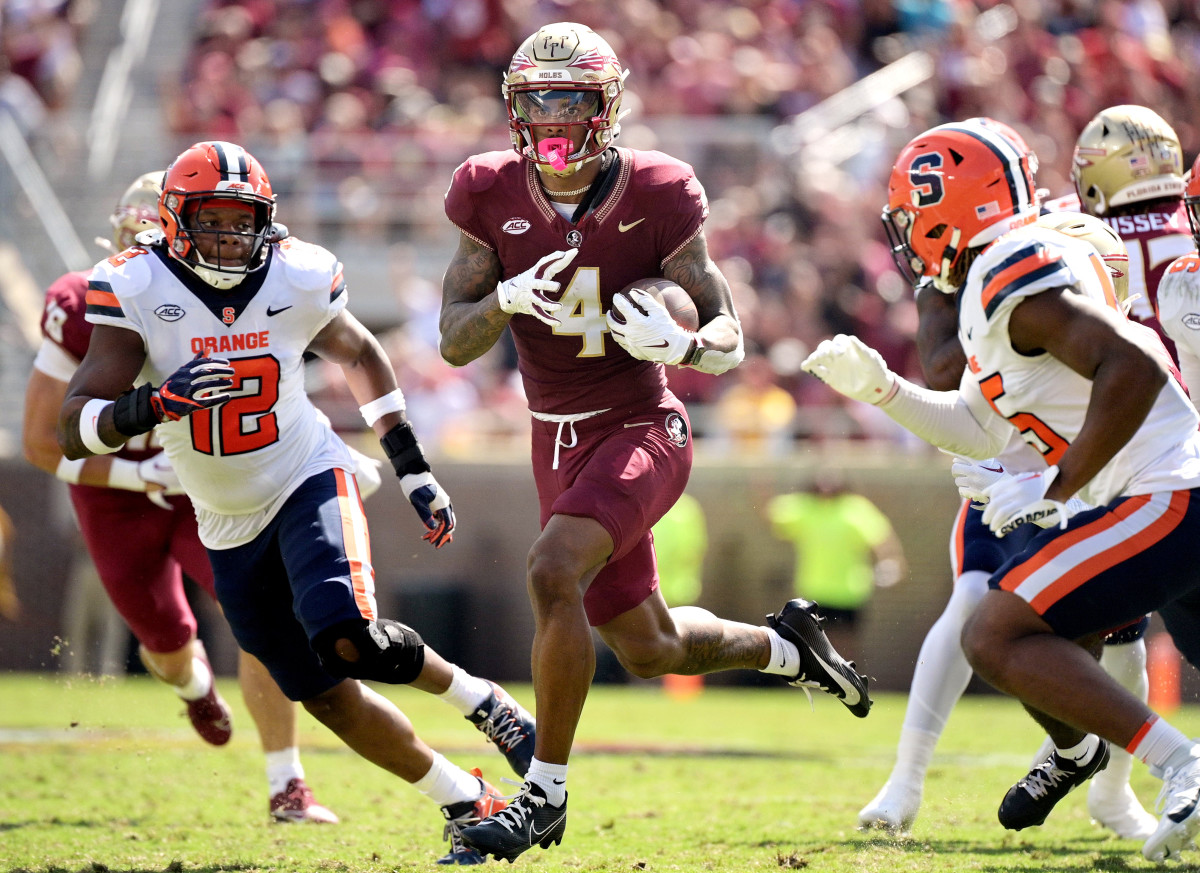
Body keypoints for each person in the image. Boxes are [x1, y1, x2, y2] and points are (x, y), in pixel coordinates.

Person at [436, 22, 870, 862]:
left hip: (642, 425)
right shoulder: (485, 191)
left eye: (571, 98)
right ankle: (790, 648)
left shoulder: (661, 189)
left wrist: (690, 348)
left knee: (549, 568)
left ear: (609, 107)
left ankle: (543, 796)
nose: (554, 117)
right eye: (538, 100)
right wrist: (507, 302)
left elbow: (730, 329)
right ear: (514, 108)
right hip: (551, 438)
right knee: (650, 645)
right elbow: (455, 338)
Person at [54, 142, 537, 865]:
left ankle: (484, 703)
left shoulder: (297, 272)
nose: (230, 236)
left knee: (348, 632)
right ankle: (467, 800)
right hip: (223, 518)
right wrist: (152, 402)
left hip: (305, 473)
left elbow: (361, 351)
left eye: (243, 220)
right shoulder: (134, 284)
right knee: (323, 693)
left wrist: (412, 469)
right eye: (212, 221)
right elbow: (74, 425)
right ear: (177, 221)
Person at [802, 118, 1200, 863]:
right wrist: (883, 390)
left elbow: (1134, 370)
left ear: (953, 205)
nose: (910, 235)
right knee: (1055, 641)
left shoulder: (1013, 268)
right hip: (1157, 488)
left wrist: (1058, 481)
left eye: (917, 214)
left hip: (1167, 490)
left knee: (994, 631)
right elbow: (985, 426)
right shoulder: (999, 272)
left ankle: (1183, 765)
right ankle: (1104, 764)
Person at [23, 170, 340, 823]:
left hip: (206, 486)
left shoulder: (230, 296)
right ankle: (195, 687)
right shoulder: (83, 302)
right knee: (166, 646)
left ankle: (288, 780)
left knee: (259, 619)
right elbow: (40, 444)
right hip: (114, 492)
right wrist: (136, 476)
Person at [858, 185, 1157, 836]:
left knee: (1125, 635)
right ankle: (906, 780)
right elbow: (945, 378)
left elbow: (1124, 363)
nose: (916, 236)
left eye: (930, 215)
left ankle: (1115, 789)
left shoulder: (1061, 251)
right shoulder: (962, 266)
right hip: (1006, 466)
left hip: (1087, 464)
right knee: (973, 606)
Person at [767, 471, 905, 664]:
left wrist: (891, 562)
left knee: (845, 642)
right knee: (812, 641)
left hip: (848, 590)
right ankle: (818, 681)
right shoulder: (807, 508)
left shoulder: (856, 509)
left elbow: (882, 539)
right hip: (814, 589)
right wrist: (763, 485)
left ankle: (848, 680)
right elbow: (773, 514)